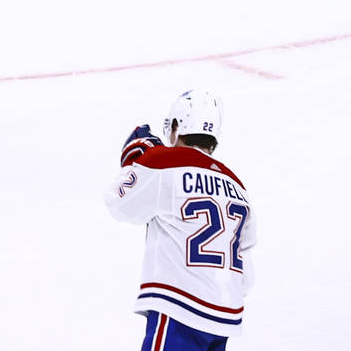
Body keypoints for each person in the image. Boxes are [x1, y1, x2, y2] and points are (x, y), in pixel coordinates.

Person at [105, 90, 257, 350]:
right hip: (224, 318)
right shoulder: (237, 185)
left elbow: (119, 204)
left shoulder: (163, 162)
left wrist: (133, 161)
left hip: (180, 309)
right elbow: (246, 274)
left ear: (178, 126)